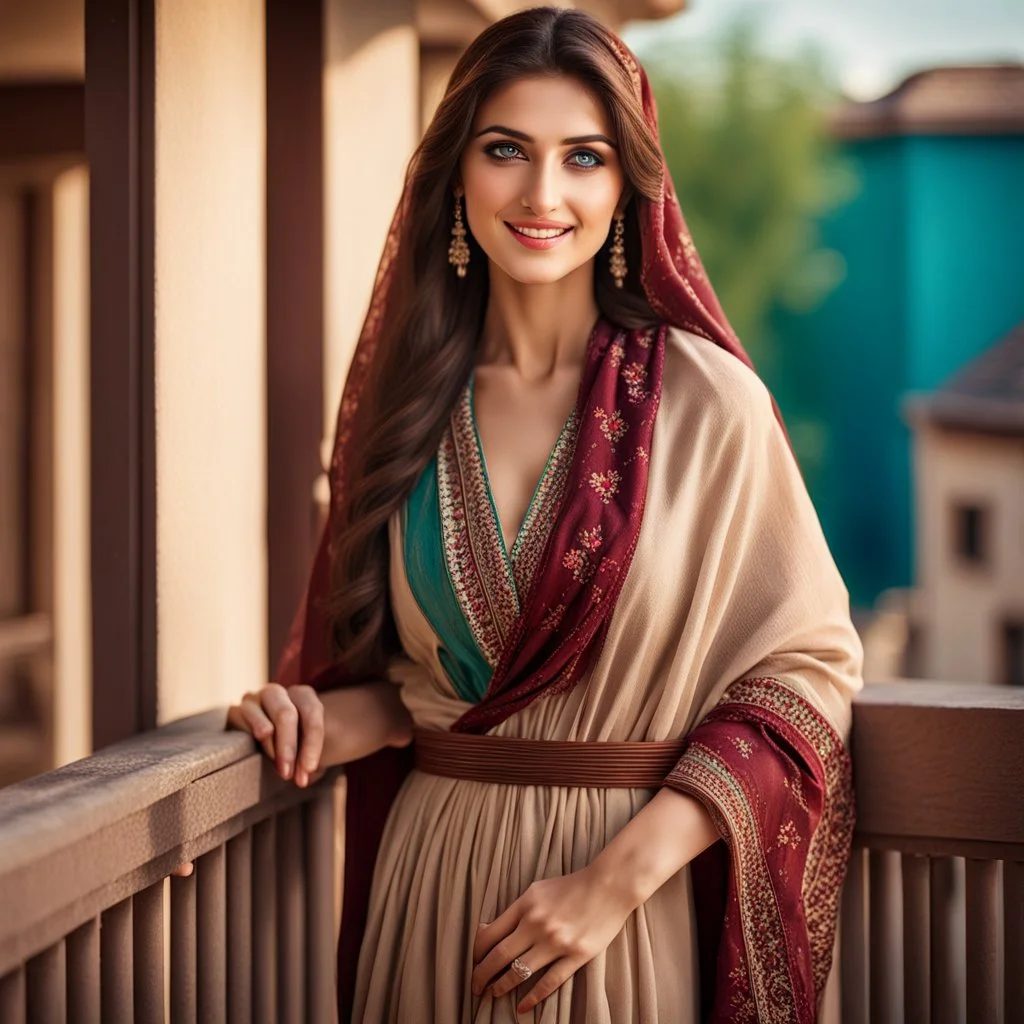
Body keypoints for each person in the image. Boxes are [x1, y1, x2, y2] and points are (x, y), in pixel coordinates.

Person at [227, 8, 863, 1022]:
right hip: (429, 890)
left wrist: (608, 885)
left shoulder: (709, 405)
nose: (541, 194)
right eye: (505, 150)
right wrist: (308, 713)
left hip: (613, 916)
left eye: (584, 157)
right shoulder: (407, 409)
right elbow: (425, 691)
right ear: (456, 175)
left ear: (627, 188)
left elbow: (806, 680)